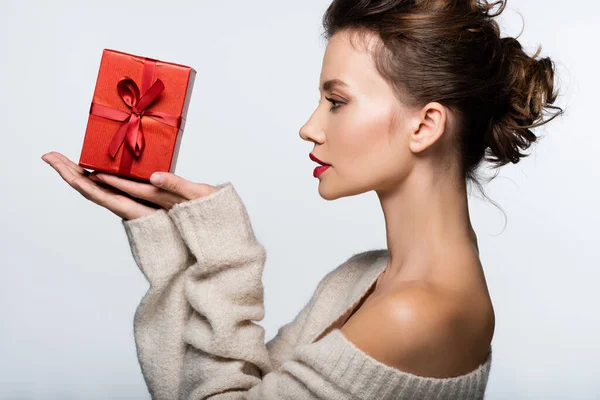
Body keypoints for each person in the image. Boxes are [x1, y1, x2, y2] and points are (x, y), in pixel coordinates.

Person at [41, 0, 562, 398]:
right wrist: (171, 242)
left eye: (336, 102)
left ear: (425, 126)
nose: (309, 128)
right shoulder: (365, 276)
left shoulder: (416, 315)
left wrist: (225, 248)